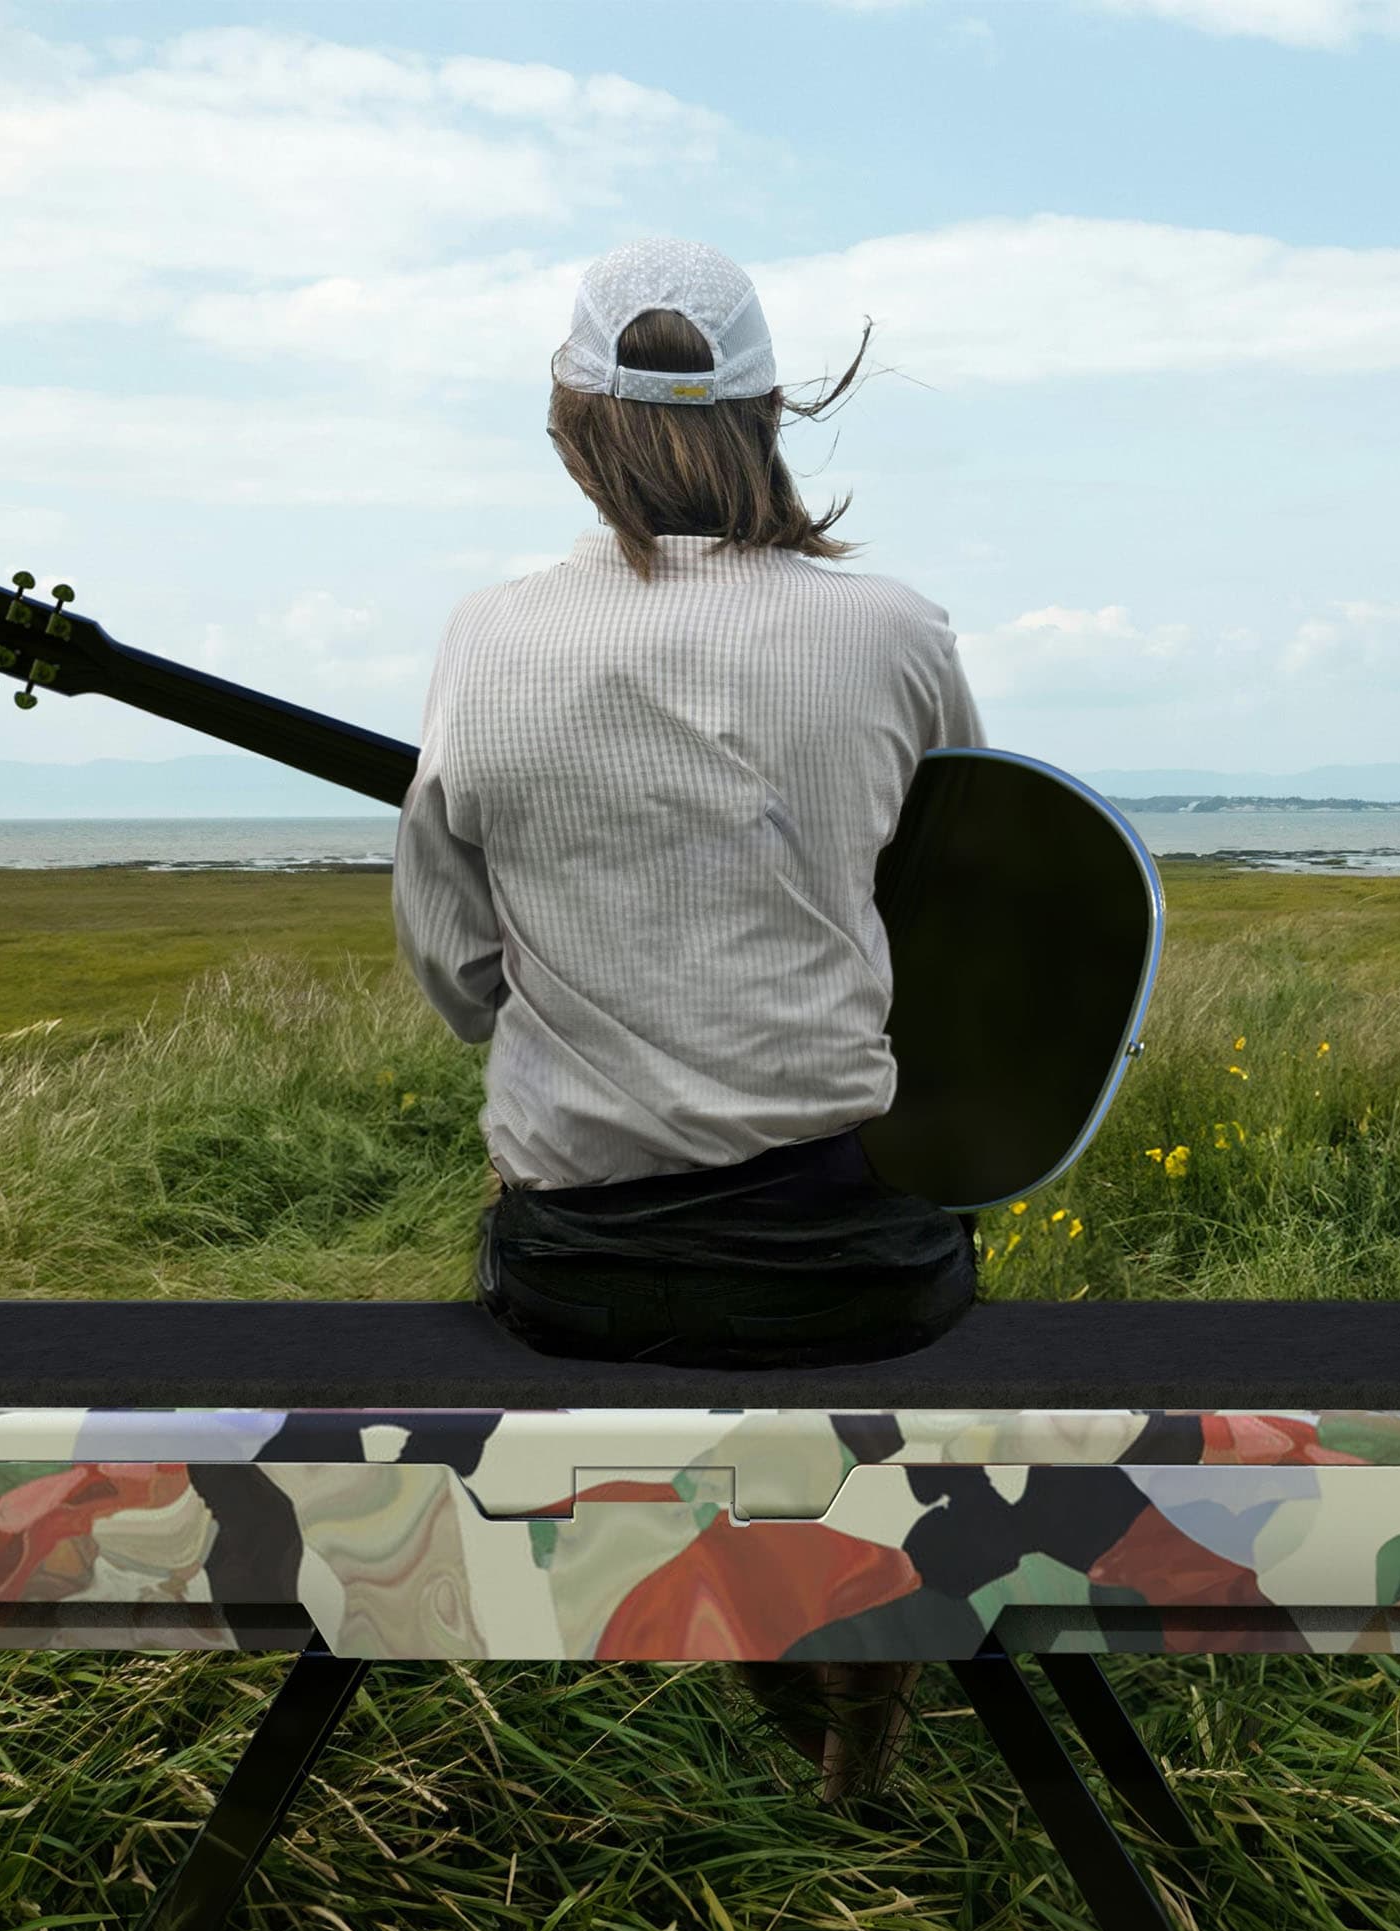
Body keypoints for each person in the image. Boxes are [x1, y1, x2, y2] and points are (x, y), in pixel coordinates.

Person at [392, 237, 983, 1798]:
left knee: (599, 1306)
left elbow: (456, 976)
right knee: (848, 1339)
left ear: (572, 425)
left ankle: (776, 1660)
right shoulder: (897, 634)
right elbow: (957, 911)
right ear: (773, 410)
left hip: (587, 1274)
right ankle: (848, 1672)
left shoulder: (486, 638)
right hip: (855, 1271)